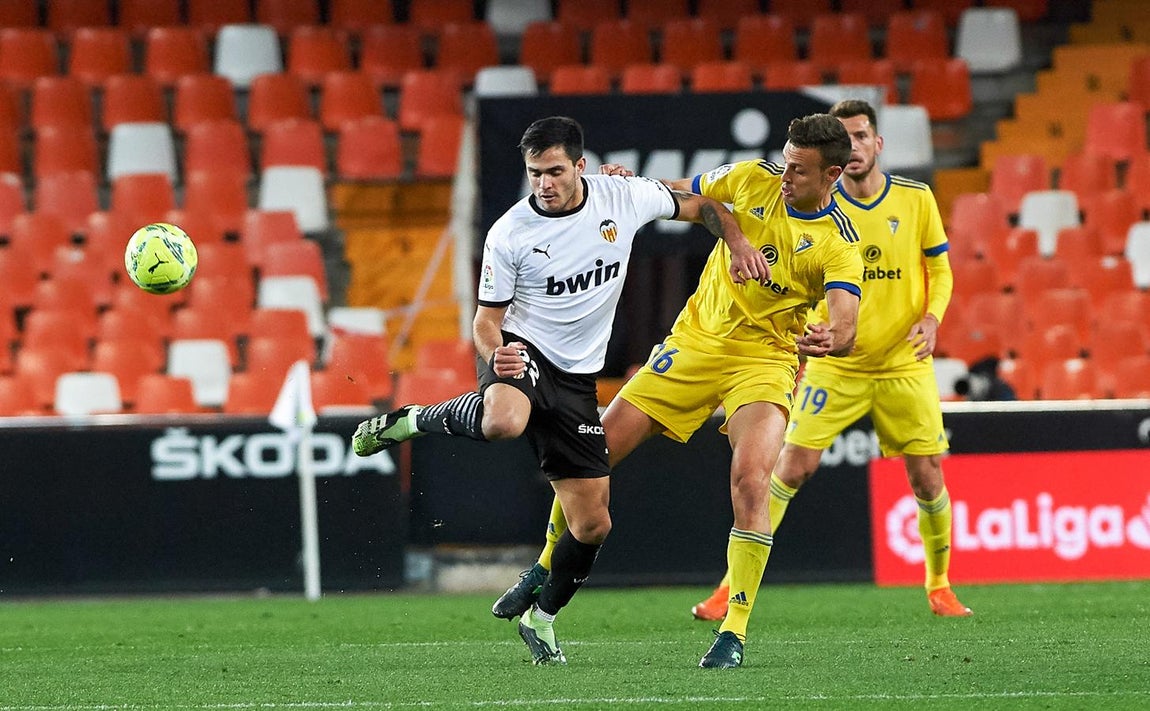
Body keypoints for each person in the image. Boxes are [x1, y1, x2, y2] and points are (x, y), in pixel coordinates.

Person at [351, 115, 771, 666]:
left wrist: (737, 242)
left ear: (580, 166)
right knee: (504, 420)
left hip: (577, 380)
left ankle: (541, 619)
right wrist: (492, 350)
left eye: (553, 171)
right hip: (521, 350)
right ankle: (411, 420)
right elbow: (485, 320)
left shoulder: (622, 197)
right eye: (533, 173)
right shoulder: (510, 232)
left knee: (594, 523)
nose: (543, 184)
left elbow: (706, 207)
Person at [490, 113, 864, 669]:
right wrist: (630, 187)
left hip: (763, 362)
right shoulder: (751, 178)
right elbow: (688, 198)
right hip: (691, 346)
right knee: (591, 457)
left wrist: (832, 335)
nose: (785, 176)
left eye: (799, 170)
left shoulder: (839, 243)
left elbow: (846, 319)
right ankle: (545, 568)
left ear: (832, 174)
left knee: (752, 481)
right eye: (785, 162)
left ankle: (733, 630)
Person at [688, 98, 973, 622]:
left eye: (864, 135)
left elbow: (942, 269)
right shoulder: (807, 207)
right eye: (849, 137)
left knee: (927, 474)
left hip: (901, 363)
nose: (858, 144)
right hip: (835, 363)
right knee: (791, 467)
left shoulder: (916, 199)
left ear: (876, 143)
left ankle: (940, 584)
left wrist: (933, 317)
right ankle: (730, 587)